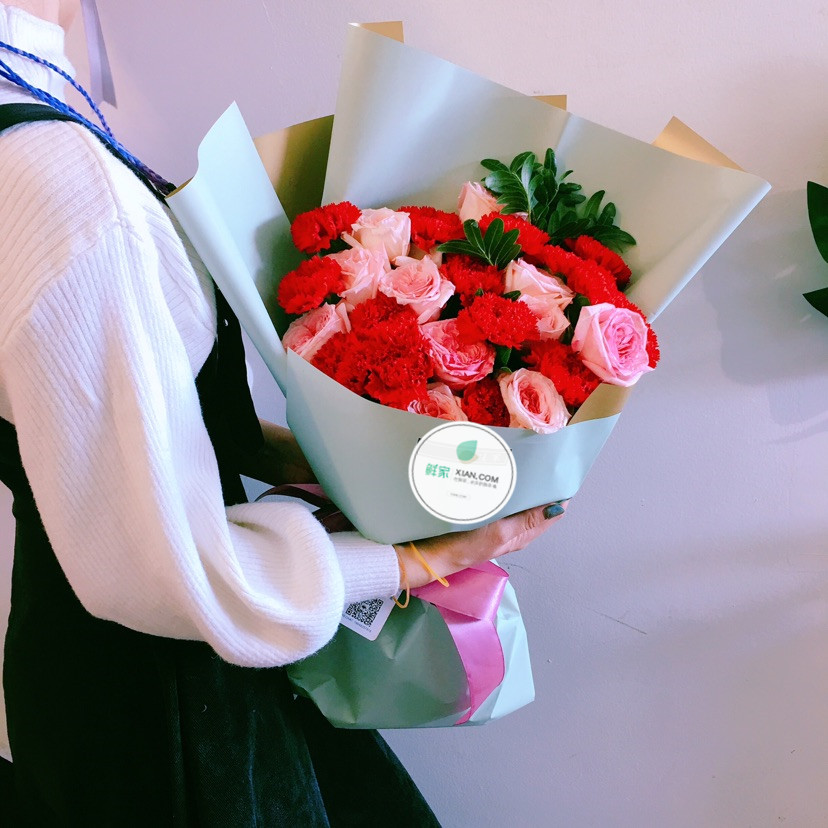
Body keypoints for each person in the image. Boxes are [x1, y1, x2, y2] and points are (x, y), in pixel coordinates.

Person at [0, 1, 568, 824]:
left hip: (86, 660)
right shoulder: (59, 179)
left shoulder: (34, 109)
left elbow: (91, 429)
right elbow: (181, 576)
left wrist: (322, 463)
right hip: (167, 693)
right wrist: (423, 558)